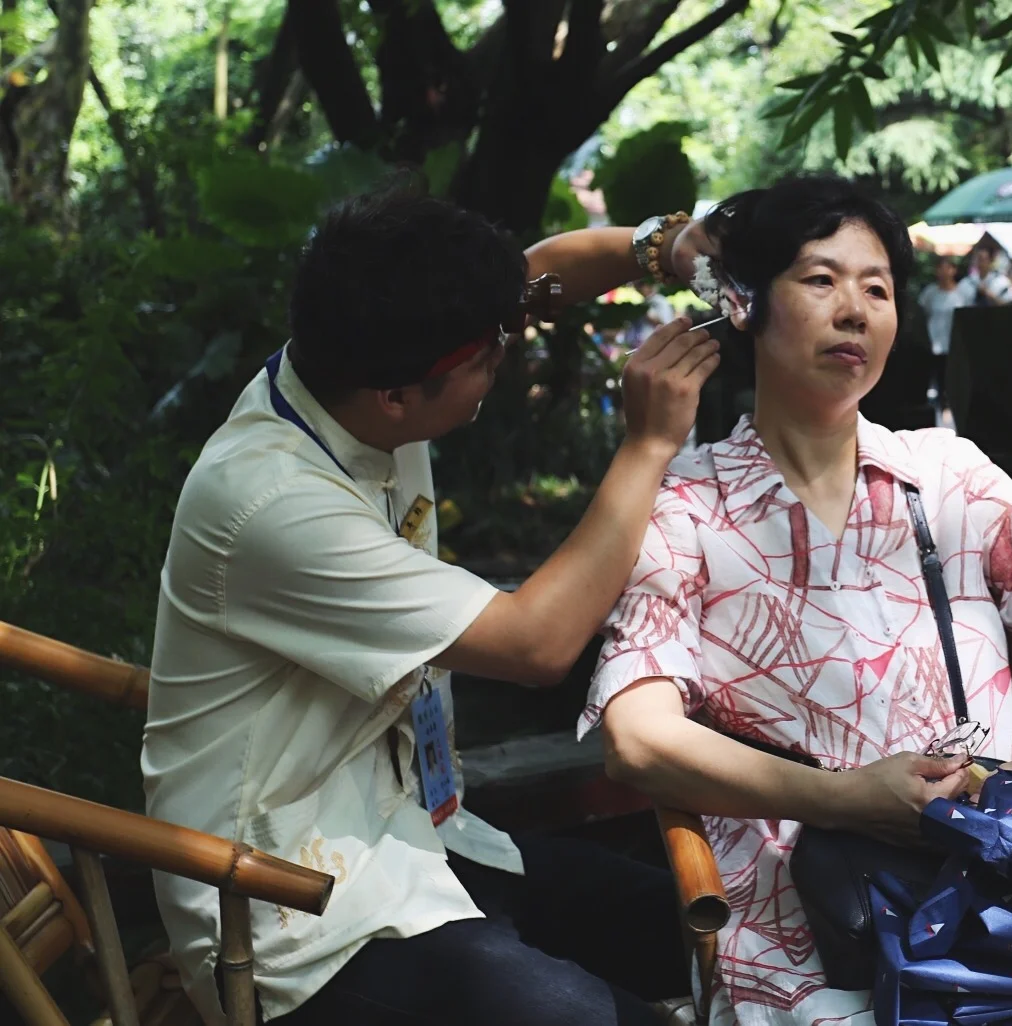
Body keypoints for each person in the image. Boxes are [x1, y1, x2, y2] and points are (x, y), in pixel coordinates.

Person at [582, 174, 1012, 1026]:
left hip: (999, 917)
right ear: (745, 305)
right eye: (820, 280)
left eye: (878, 288)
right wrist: (848, 798)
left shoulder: (950, 478)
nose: (854, 309)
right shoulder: (685, 503)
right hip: (798, 944)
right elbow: (634, 740)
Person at [141, 188, 722, 1026]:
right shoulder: (270, 500)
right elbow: (537, 644)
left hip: (418, 835)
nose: (504, 360)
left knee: (723, 937)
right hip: (297, 917)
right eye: (489, 358)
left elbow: (538, 276)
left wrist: (663, 247)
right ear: (396, 400)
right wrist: (648, 445)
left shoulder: (352, 350)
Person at [915, 257, 968, 410]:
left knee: (950, 379)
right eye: (941, 268)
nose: (944, 272)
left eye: (948, 268)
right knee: (932, 378)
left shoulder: (962, 294)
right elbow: (921, 314)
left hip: (952, 344)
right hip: (932, 342)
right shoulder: (930, 293)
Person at [965, 239, 1012, 306]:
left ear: (990, 261)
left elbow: (1011, 305)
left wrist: (989, 295)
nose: (980, 263)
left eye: (983, 259)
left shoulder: (1002, 282)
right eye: (977, 259)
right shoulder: (967, 282)